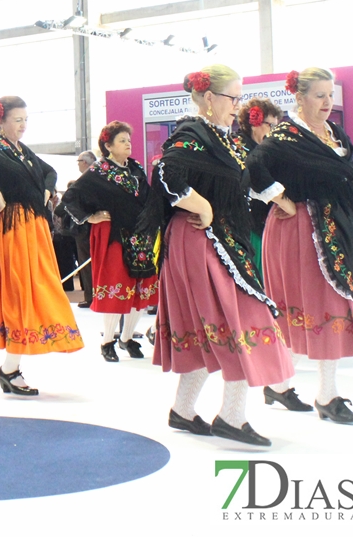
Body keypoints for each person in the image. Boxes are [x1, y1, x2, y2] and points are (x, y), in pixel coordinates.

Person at [137, 65, 292, 447]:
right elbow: (167, 175)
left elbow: (236, 184)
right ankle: (232, 417)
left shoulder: (221, 138)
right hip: (202, 240)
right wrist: (202, 206)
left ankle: (183, 411)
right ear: (209, 98)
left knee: (211, 328)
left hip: (215, 239)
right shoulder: (193, 132)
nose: (237, 105)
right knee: (240, 321)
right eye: (233, 98)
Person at [249, 68, 353, 423]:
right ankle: (326, 395)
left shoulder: (333, 132)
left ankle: (284, 385)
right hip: (303, 231)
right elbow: (253, 168)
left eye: (330, 95)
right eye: (319, 95)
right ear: (299, 97)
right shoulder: (284, 136)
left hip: (339, 227)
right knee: (316, 306)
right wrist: (281, 199)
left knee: (326, 306)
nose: (327, 102)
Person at [0, 96, 84, 397]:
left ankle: (11, 367)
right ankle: (10, 368)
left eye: (26, 119)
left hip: (30, 226)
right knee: (20, 290)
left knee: (38, 286)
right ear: (0, 121)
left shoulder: (21, 150)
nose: (23, 125)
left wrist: (45, 190)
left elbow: (50, 171)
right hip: (9, 227)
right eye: (18, 120)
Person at [57, 122, 157, 362]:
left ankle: (127, 337)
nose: (127, 143)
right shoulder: (98, 171)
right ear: (108, 145)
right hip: (114, 236)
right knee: (117, 286)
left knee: (141, 288)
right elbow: (69, 199)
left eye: (128, 139)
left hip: (140, 237)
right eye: (121, 140)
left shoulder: (136, 170)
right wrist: (91, 216)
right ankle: (107, 341)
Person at [236, 97, 283, 280]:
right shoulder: (237, 147)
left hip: (262, 223)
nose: (273, 131)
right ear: (254, 122)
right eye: (270, 125)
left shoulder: (265, 148)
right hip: (246, 226)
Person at [73, 150, 97, 306]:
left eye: (79, 160)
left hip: (86, 228)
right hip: (91, 227)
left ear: (85, 163)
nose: (78, 163)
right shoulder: (97, 177)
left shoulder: (87, 179)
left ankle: (91, 297)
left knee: (88, 264)